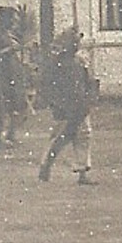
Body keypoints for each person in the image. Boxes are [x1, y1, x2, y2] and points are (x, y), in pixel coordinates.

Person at [38, 26, 97, 184]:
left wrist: (88, 99)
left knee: (84, 135)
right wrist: (56, 104)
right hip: (65, 107)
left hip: (80, 106)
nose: (77, 44)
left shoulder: (80, 60)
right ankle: (46, 165)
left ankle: (82, 172)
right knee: (60, 138)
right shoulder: (57, 63)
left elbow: (87, 82)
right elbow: (48, 85)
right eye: (74, 41)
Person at [0, 6, 30, 148]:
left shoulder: (9, 33)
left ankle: (10, 135)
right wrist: (10, 49)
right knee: (3, 108)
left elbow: (23, 36)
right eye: (11, 19)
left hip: (13, 72)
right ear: (4, 19)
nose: (14, 22)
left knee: (16, 105)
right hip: (3, 74)